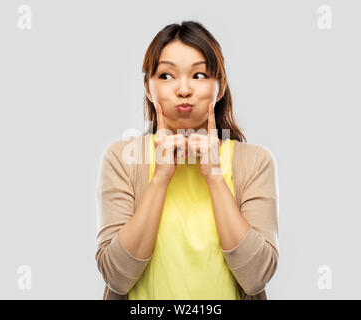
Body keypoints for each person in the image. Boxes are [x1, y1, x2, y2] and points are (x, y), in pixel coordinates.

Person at [96, 21, 279, 300]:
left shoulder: (254, 162)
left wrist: (215, 176)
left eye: (199, 74)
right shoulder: (122, 159)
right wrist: (159, 179)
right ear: (148, 87)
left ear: (220, 87)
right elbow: (117, 277)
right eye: (167, 76)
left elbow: (255, 278)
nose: (183, 89)